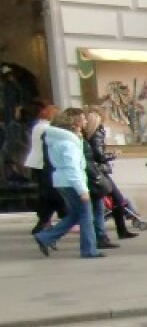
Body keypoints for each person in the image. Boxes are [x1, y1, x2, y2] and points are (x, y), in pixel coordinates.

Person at [33, 108, 103, 259]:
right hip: (72, 181)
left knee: (75, 215)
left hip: (62, 180)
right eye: (83, 119)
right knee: (86, 216)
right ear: (75, 123)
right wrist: (82, 190)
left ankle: (45, 237)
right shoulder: (68, 143)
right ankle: (89, 250)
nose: (85, 121)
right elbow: (72, 167)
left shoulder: (59, 139)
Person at [80, 111, 120, 249]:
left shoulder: (83, 137)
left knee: (96, 207)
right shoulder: (92, 136)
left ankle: (101, 237)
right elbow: (97, 155)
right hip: (94, 174)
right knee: (100, 206)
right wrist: (111, 156)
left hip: (92, 173)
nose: (84, 122)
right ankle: (100, 238)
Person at [25, 101, 64, 234]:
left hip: (38, 163)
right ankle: (46, 220)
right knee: (50, 193)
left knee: (48, 193)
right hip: (42, 163)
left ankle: (45, 221)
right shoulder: (46, 128)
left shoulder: (39, 126)